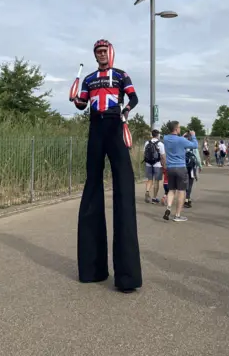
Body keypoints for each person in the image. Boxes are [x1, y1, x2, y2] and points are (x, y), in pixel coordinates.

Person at [72, 39, 142, 293]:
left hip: (115, 125)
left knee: (124, 188)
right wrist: (75, 99)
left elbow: (134, 98)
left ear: (110, 53)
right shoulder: (89, 79)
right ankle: (92, 269)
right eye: (97, 52)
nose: (101, 55)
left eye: (104, 51)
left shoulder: (121, 75)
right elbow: (81, 104)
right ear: (94, 55)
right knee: (92, 186)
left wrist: (124, 112)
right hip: (95, 128)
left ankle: (127, 276)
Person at [161, 123, 198, 222]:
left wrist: (182, 137)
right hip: (181, 167)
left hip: (170, 168)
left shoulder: (165, 138)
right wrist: (193, 135)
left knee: (171, 190)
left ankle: (168, 207)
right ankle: (177, 215)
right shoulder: (181, 140)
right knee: (181, 191)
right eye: (179, 127)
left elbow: (175, 141)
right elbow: (195, 145)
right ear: (176, 129)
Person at [143, 130, 166, 204]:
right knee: (157, 181)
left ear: (152, 135)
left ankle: (147, 191)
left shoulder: (147, 142)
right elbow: (163, 156)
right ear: (158, 135)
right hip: (157, 164)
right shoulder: (160, 144)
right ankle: (154, 198)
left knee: (149, 179)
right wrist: (164, 164)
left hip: (148, 164)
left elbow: (144, 153)